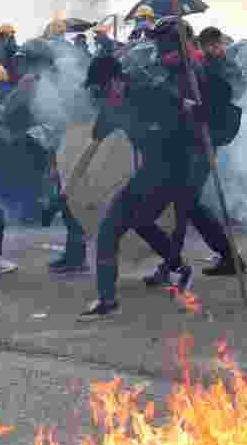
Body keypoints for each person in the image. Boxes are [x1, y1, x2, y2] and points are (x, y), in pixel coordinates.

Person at [78, 52, 196, 320]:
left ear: (117, 81)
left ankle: (177, 268)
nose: (100, 95)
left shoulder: (150, 95)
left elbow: (188, 106)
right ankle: (108, 299)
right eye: (96, 90)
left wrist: (199, 112)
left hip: (175, 171)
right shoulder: (111, 109)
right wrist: (65, 189)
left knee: (133, 221)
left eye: (102, 87)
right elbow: (91, 147)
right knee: (115, 228)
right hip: (148, 173)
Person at [136, 23, 247, 283]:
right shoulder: (176, 70)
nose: (160, 52)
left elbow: (215, 103)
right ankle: (229, 258)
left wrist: (195, 111)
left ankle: (172, 266)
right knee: (190, 205)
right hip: (185, 148)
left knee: (184, 204)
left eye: (163, 47)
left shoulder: (195, 70)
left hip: (198, 147)